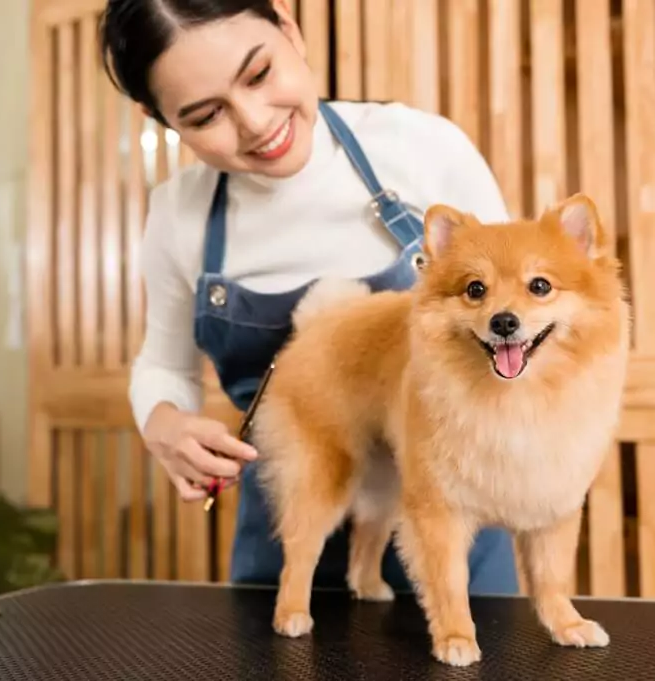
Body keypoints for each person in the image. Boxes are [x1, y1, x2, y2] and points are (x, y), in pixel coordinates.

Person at [100, 0, 520, 595]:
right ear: (160, 119)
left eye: (259, 73)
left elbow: (516, 323)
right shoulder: (179, 215)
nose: (254, 122)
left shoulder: (423, 148)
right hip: (287, 546)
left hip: (457, 541)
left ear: (288, 28)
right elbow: (164, 366)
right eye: (206, 115)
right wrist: (163, 423)